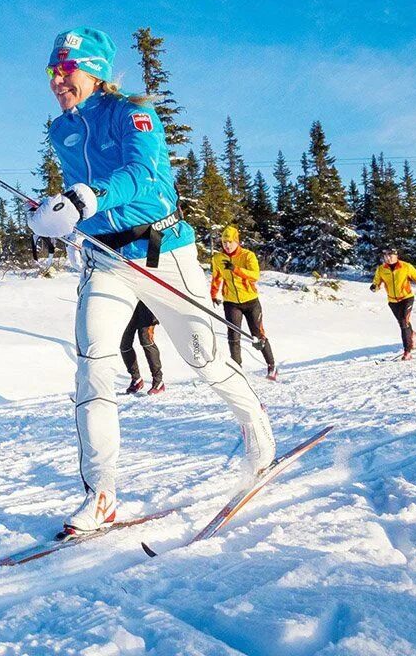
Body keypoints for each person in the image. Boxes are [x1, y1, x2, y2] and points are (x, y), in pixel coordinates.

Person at [21, 27, 276, 536]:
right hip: (105, 260)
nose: (57, 80)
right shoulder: (60, 130)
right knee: (92, 364)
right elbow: (80, 194)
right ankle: (102, 495)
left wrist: (86, 197)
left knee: (206, 360)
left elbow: (147, 179)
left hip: (163, 252)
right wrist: (53, 213)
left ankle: (255, 425)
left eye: (66, 70)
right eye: (52, 71)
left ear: (93, 70)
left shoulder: (134, 113)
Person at [209, 225, 278, 380]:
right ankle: (237, 368)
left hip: (251, 302)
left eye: (230, 242)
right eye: (224, 242)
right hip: (231, 302)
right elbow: (216, 277)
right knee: (233, 335)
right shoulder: (218, 258)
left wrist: (235, 269)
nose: (227, 245)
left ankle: (271, 365)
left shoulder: (248, 256)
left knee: (258, 335)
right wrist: (214, 294)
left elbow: (255, 276)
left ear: (237, 241)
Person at [370, 247, 416, 360]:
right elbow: (377, 282)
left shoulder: (406, 267)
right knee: (403, 323)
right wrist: (374, 287)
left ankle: (407, 351)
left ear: (396, 256)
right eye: (385, 256)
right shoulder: (381, 269)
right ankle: (411, 334)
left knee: (404, 322)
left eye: (390, 255)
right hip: (393, 301)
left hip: (406, 298)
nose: (388, 258)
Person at [121, 303, 165, 395]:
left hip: (146, 304)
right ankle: (136, 379)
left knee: (146, 340)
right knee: (124, 343)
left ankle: (158, 381)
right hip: (130, 302)